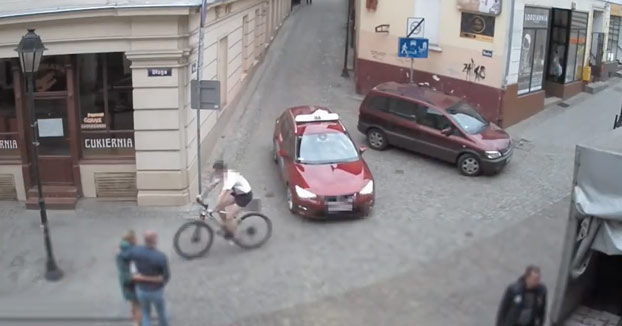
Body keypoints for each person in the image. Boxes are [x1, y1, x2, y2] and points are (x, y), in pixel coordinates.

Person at [116, 231, 163, 326]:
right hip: (133, 281)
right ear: (132, 240)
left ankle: (134, 321)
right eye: (135, 239)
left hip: (124, 281)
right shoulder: (132, 253)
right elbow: (135, 271)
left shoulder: (120, 251)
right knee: (139, 306)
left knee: (133, 303)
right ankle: (137, 323)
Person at [205, 160, 253, 238]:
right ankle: (226, 225)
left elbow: (224, 193)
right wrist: (201, 196)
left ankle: (234, 235)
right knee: (220, 207)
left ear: (222, 170)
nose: (216, 173)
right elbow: (212, 184)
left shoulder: (230, 178)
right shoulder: (223, 174)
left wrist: (215, 205)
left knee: (229, 217)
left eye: (217, 171)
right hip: (237, 193)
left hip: (245, 196)